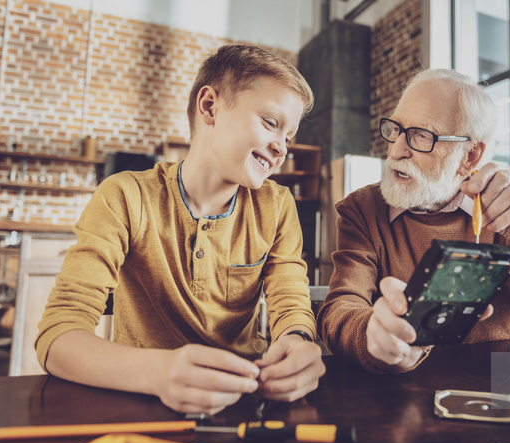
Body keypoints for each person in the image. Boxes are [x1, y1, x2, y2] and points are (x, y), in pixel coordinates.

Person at [36, 44, 325, 413]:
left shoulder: (277, 205)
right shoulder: (125, 196)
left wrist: (298, 340)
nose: (281, 148)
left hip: (245, 403)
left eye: (288, 137)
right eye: (271, 123)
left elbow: (291, 303)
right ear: (210, 107)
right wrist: (159, 372)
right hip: (142, 401)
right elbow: (57, 336)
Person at [317, 68, 510, 373]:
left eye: (422, 135)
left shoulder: (506, 212)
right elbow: (341, 309)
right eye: (395, 128)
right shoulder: (362, 209)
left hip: (507, 398)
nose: (396, 150)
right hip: (401, 404)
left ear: (471, 156)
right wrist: (371, 335)